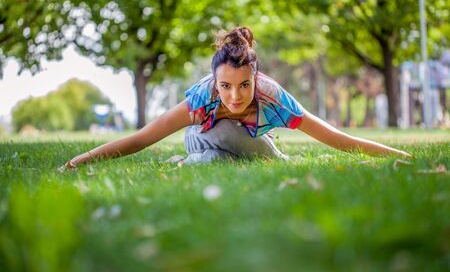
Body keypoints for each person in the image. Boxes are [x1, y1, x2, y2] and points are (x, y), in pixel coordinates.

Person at [62, 26, 411, 169]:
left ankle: (189, 166)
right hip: (198, 137)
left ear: (255, 78)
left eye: (244, 85)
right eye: (225, 86)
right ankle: (265, 160)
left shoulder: (272, 96)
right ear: (214, 81)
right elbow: (142, 139)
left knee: (218, 159)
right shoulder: (203, 96)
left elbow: (336, 138)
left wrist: (403, 156)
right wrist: (77, 162)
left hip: (247, 143)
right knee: (219, 135)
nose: (234, 95)